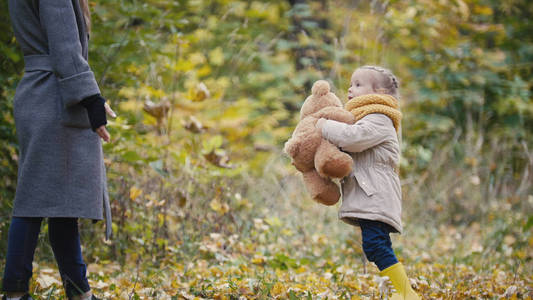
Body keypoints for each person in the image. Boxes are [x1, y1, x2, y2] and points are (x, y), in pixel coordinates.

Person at [2, 0, 114, 299]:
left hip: (42, 91)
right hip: (55, 96)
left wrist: (91, 96)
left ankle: (79, 291)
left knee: (61, 202)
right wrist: (90, 97)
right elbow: (65, 47)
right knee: (34, 200)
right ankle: (15, 291)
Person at [316, 66, 420, 299]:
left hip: (377, 195)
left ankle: (406, 293)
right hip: (370, 194)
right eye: (351, 84)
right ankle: (402, 291)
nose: (350, 89)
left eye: (358, 84)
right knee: (376, 245)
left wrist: (324, 126)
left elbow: (351, 138)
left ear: (379, 91)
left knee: (375, 246)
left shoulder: (380, 119)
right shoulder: (365, 119)